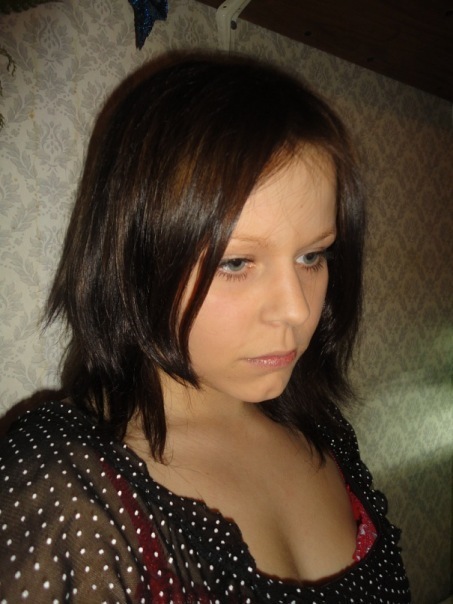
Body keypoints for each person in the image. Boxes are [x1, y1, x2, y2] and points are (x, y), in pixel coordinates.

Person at [0, 52, 410, 602]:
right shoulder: (64, 485)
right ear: (135, 258)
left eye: (312, 256)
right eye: (236, 263)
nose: (296, 310)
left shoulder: (324, 432)